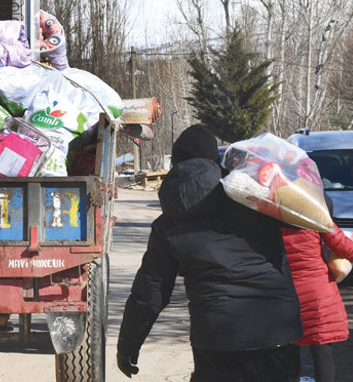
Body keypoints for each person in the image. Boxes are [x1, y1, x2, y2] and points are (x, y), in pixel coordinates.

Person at [117, 124, 303, 381]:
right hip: (275, 329)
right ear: (216, 159)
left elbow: (150, 294)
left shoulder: (168, 222)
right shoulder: (252, 199)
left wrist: (128, 345)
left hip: (217, 336)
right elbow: (314, 214)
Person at [283, 195, 353, 382]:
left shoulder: (269, 218)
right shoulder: (315, 216)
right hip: (317, 293)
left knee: (288, 351)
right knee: (322, 348)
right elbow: (346, 248)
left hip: (284, 292)